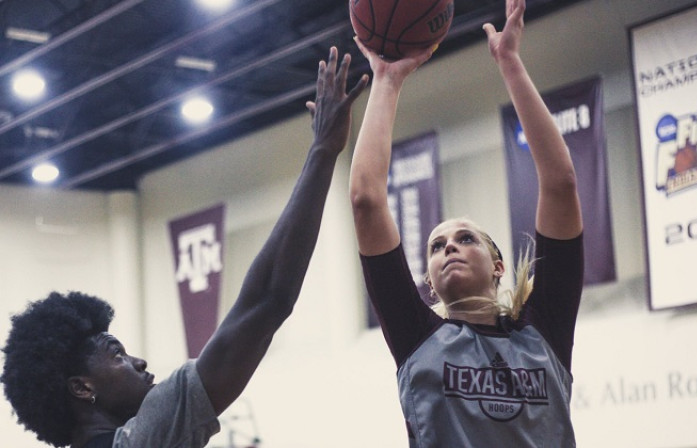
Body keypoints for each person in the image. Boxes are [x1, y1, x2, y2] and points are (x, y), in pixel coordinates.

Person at [1, 47, 368, 448]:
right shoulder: (144, 439)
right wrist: (322, 152)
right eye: (117, 354)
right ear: (82, 387)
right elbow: (268, 300)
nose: (139, 362)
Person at [349, 0, 584, 445]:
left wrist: (511, 64)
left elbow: (560, 182)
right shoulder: (417, 335)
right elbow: (365, 200)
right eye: (437, 246)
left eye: (465, 239)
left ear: (498, 265)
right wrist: (386, 79)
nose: (449, 248)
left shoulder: (544, 330)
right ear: (430, 283)